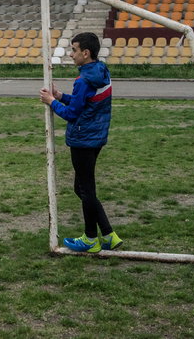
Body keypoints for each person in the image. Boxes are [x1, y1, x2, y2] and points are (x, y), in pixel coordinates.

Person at [40, 32, 122, 253]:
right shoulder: (100, 71)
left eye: (74, 50)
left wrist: (50, 102)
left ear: (86, 53)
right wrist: (60, 96)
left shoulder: (84, 80)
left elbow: (73, 114)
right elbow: (84, 104)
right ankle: (108, 234)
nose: (71, 54)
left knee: (85, 190)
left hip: (83, 140)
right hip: (95, 137)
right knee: (83, 188)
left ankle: (90, 239)